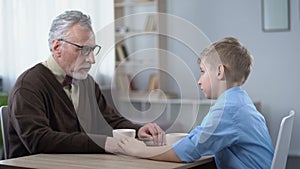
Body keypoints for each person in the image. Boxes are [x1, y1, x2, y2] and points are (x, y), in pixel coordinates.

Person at [7, 10, 165, 159]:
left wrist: (138, 130)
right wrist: (103, 143)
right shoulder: (27, 86)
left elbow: (109, 120)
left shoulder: (86, 82)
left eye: (93, 50)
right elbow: (39, 140)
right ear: (57, 48)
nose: (92, 60)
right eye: (83, 50)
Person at [118, 37, 274, 168]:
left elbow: (188, 152)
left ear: (220, 71)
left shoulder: (229, 109)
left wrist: (139, 150)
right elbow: (201, 138)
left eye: (203, 71)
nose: (199, 81)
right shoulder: (241, 101)